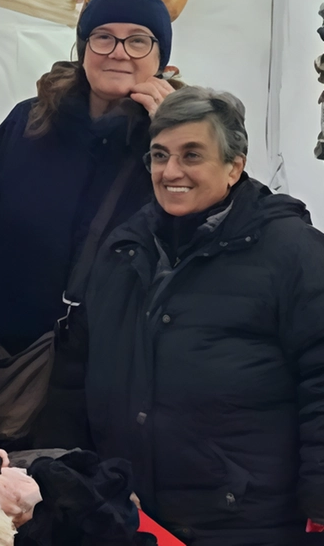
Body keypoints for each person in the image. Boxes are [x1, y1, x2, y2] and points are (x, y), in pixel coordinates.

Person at [85, 88, 324, 546]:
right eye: (160, 155)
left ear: (235, 166)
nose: (171, 171)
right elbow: (79, 367)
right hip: (134, 515)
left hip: (246, 523)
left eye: (192, 155)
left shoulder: (294, 253)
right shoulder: (124, 248)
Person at [0, 0, 182, 357]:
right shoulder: (31, 119)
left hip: (110, 356)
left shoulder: (178, 138)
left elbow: (208, 221)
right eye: (103, 37)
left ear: (161, 58)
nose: (118, 53)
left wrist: (173, 131)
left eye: (137, 41)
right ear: (84, 49)